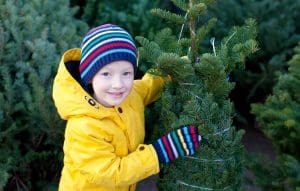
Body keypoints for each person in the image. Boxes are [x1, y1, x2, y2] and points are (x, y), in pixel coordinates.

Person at [52, 23, 201, 191]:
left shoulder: (130, 95)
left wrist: (183, 68)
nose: (118, 84)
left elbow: (150, 84)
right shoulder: (84, 127)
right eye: (106, 74)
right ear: (90, 77)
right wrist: (158, 153)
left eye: (126, 73)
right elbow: (111, 174)